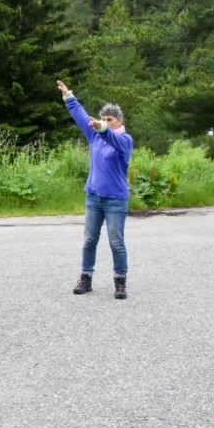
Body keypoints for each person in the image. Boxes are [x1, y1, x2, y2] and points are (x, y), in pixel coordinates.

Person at [56, 79, 134, 299]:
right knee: (89, 239)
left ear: (119, 121)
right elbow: (81, 116)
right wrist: (69, 97)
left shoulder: (125, 140)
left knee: (116, 241)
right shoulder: (95, 135)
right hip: (93, 198)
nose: (106, 122)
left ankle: (120, 281)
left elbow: (109, 136)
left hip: (116, 200)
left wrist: (101, 127)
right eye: (104, 119)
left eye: (110, 119)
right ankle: (86, 278)